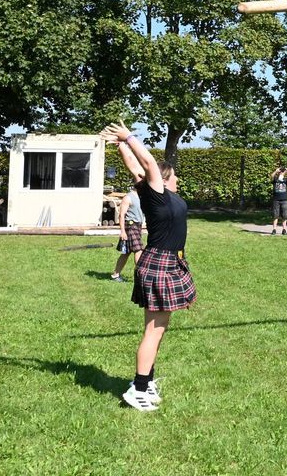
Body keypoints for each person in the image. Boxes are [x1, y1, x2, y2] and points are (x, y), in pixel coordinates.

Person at [100, 122, 195, 412]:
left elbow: (136, 167)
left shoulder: (161, 195)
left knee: (156, 330)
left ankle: (147, 381)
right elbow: (148, 163)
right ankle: (138, 389)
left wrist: (119, 146)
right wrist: (127, 136)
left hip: (168, 262)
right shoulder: (156, 195)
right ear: (165, 179)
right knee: (153, 331)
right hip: (159, 265)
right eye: (174, 174)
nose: (177, 177)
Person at [111, 179, 146, 283]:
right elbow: (121, 215)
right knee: (138, 250)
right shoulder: (128, 197)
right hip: (130, 226)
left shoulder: (141, 197)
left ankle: (115, 275)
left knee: (126, 252)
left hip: (137, 226)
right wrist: (122, 231)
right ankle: (141, 277)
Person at [270, 163, 287, 235]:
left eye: (282, 171)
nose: (282, 172)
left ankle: (284, 230)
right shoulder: (275, 179)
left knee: (284, 215)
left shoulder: (286, 180)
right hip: (276, 200)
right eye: (281, 171)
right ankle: (274, 229)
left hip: (284, 200)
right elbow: (271, 176)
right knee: (275, 215)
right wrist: (276, 171)